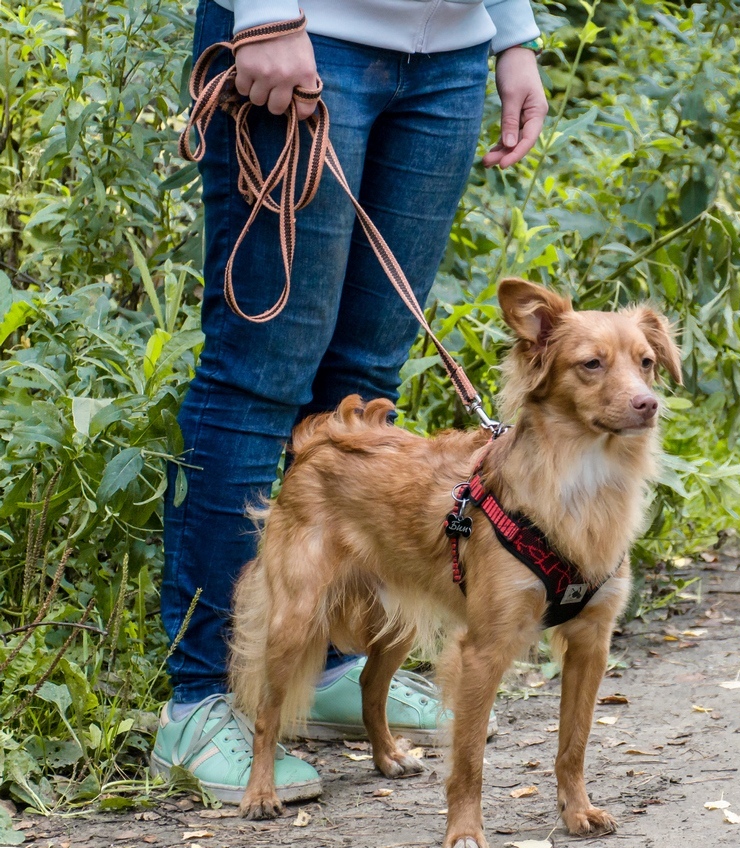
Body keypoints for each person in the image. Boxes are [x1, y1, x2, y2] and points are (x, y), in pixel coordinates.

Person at [151, 0, 547, 803]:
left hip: (448, 60)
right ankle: (198, 704)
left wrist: (512, 34)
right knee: (261, 373)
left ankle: (331, 670)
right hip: (308, 36)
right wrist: (265, 14)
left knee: (369, 372)